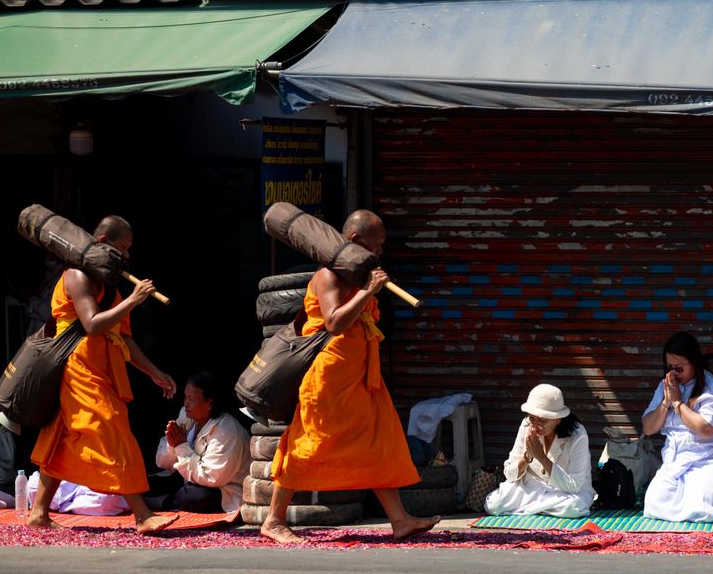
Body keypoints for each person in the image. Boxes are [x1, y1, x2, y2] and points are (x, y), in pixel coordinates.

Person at [261, 210, 441, 544]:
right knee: (308, 445)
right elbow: (334, 323)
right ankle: (273, 519)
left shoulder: (359, 277)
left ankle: (399, 519)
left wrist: (367, 289)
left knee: (379, 443)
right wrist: (367, 292)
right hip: (328, 379)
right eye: (376, 245)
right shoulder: (328, 276)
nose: (381, 253)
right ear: (355, 242)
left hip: (361, 377)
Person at [28, 215, 178, 533]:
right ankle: (142, 515)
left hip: (101, 370)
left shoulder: (108, 288)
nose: (126, 255)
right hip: (75, 369)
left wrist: (154, 372)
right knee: (114, 430)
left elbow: (122, 338)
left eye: (128, 249)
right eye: (122, 247)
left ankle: (39, 513)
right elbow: (93, 323)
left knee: (62, 439)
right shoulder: (77, 276)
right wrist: (135, 301)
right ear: (102, 242)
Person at [641, 331, 713, 522]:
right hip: (675, 462)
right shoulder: (665, 386)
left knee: (703, 504)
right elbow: (648, 428)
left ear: (694, 363)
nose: (673, 374)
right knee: (654, 502)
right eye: (669, 367)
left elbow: (706, 429)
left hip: (711, 460)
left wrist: (678, 404)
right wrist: (666, 403)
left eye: (679, 368)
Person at [484, 384, 593, 518]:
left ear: (558, 419)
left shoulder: (578, 436)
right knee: (493, 505)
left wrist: (541, 457)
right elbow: (509, 474)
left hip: (564, 492)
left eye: (542, 420)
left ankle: (530, 508)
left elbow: (574, 486)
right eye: (532, 418)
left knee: (573, 507)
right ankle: (539, 508)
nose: (536, 425)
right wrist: (527, 457)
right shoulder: (526, 425)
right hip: (532, 487)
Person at [151, 372, 251, 513]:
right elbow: (162, 463)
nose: (185, 403)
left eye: (191, 399)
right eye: (185, 397)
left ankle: (160, 503)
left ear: (209, 403)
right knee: (150, 482)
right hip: (190, 481)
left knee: (195, 497)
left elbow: (212, 478)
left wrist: (180, 446)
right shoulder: (187, 416)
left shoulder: (227, 431)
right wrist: (172, 443)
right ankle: (158, 500)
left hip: (223, 490)